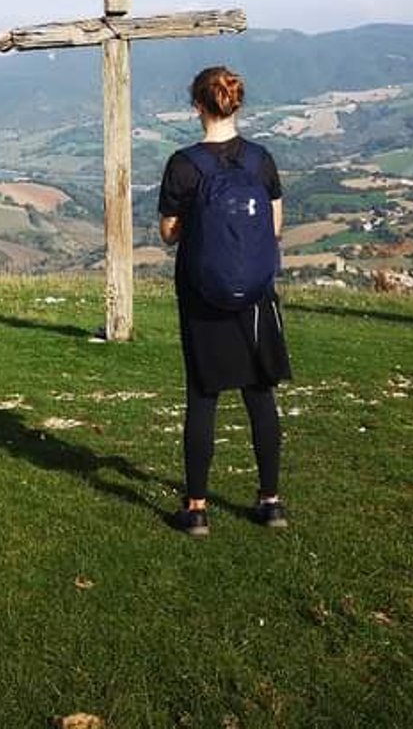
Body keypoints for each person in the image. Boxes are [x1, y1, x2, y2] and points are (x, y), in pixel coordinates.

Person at [157, 65, 292, 537]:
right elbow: (273, 229)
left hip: (201, 294)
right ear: (236, 103)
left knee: (203, 395)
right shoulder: (261, 161)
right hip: (255, 295)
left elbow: (169, 233)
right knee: (260, 395)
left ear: (197, 106)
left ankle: (196, 509)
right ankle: (270, 501)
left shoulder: (183, 164)